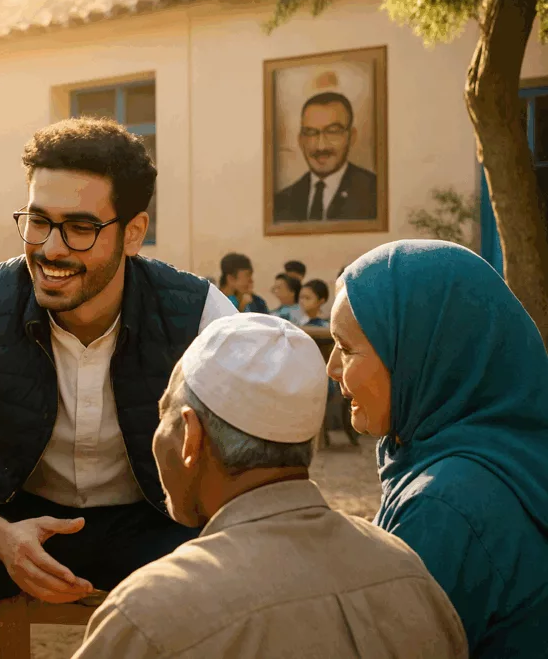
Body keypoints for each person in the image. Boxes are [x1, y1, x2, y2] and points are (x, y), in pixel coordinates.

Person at [0, 117, 237, 659]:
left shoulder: (199, 313)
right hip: (20, 515)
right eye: (38, 221)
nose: (51, 250)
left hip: (155, 520)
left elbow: (236, 474)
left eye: (80, 227)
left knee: (236, 577)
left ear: (133, 232)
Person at [73, 314, 467, 658]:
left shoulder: (150, 613)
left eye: (165, 414)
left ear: (191, 436)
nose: (159, 435)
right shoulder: (408, 574)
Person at [328, 240, 548, 656]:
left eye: (346, 348)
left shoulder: (445, 506)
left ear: (418, 354)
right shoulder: (514, 454)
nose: (332, 369)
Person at [274, 92, 377, 223]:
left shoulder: (375, 194)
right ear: (300, 140)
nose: (321, 146)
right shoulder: (281, 201)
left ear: (352, 137)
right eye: (311, 133)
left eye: (332, 131)